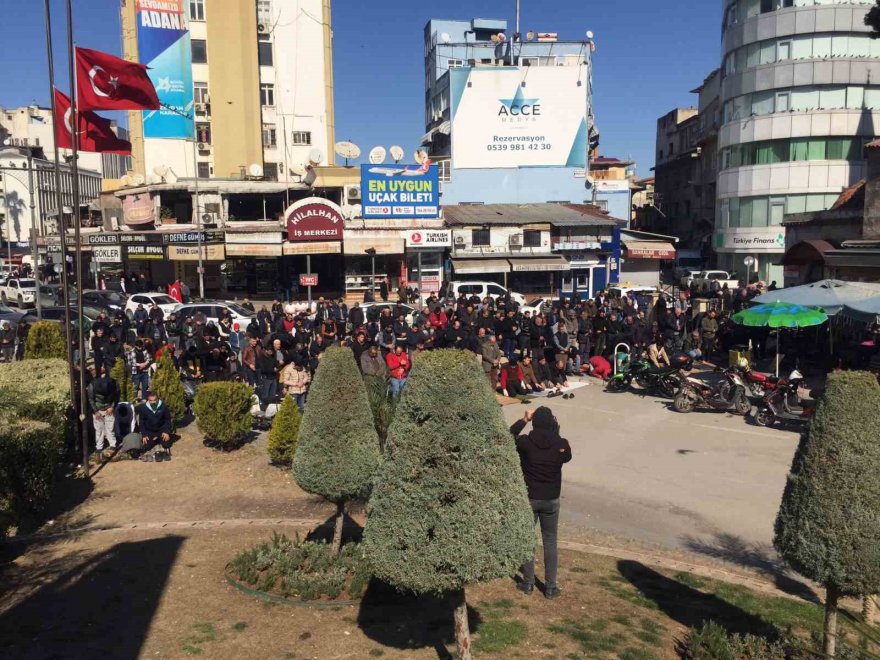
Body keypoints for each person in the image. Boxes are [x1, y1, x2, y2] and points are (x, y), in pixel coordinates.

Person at [510, 407, 572, 599]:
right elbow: (566, 456)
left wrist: (524, 420)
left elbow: (507, 437)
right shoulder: (561, 444)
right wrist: (555, 430)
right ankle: (551, 587)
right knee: (550, 541)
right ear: (552, 424)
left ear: (534, 422)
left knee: (528, 540)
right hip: (551, 499)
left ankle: (528, 583)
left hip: (530, 497)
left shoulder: (526, 443)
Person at [87, 366, 119, 456]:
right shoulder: (92, 386)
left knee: (110, 427)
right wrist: (96, 411)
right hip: (98, 409)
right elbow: (91, 400)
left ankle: (113, 444)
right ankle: (99, 446)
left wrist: (112, 407)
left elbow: (117, 396)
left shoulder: (114, 384)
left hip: (109, 408)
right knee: (99, 429)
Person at [138, 391, 173, 462]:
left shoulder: (163, 406)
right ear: (148, 400)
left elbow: (168, 420)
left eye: (155, 400)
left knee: (167, 444)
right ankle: (156, 442)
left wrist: (166, 431)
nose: (153, 402)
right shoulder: (143, 408)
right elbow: (141, 422)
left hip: (161, 430)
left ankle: (160, 442)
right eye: (151, 400)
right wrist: (144, 434)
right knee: (146, 447)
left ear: (158, 399)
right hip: (149, 430)